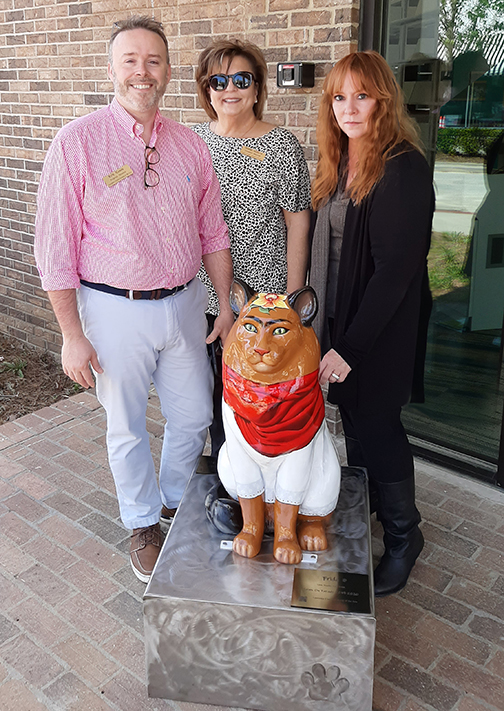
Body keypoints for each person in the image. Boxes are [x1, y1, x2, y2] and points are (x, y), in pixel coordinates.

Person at [34, 16, 233, 584]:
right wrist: (71, 335)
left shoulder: (190, 144)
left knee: (194, 415)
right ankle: (142, 523)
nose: (142, 72)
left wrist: (223, 303)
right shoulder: (77, 143)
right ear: (111, 69)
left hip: (185, 303)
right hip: (112, 308)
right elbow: (55, 247)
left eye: (153, 61)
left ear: (167, 71)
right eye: (130, 60)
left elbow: (213, 231)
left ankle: (170, 501)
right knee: (126, 425)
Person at [310, 51, 434, 597]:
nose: (350, 108)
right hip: (342, 315)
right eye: (340, 97)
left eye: (362, 95)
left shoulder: (402, 167)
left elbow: (395, 273)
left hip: (379, 326)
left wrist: (350, 348)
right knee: (355, 420)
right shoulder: (340, 159)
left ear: (383, 100)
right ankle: (372, 508)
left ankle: (406, 536)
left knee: (378, 424)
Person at [193, 39, 311, 458]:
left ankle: (265, 477)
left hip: (263, 303)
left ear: (258, 88)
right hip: (203, 297)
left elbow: (298, 222)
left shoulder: (281, 145)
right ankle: (228, 476)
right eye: (219, 81)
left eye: (242, 80)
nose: (230, 89)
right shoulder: (191, 142)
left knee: (262, 401)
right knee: (213, 397)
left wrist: (291, 302)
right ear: (206, 90)